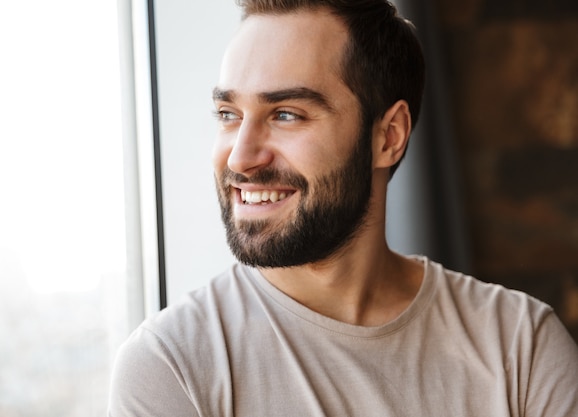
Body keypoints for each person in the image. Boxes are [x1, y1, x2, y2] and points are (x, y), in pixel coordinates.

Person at [108, 0, 578, 415]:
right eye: (229, 116)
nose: (240, 157)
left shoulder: (520, 346)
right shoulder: (172, 368)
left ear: (388, 136)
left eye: (286, 114)